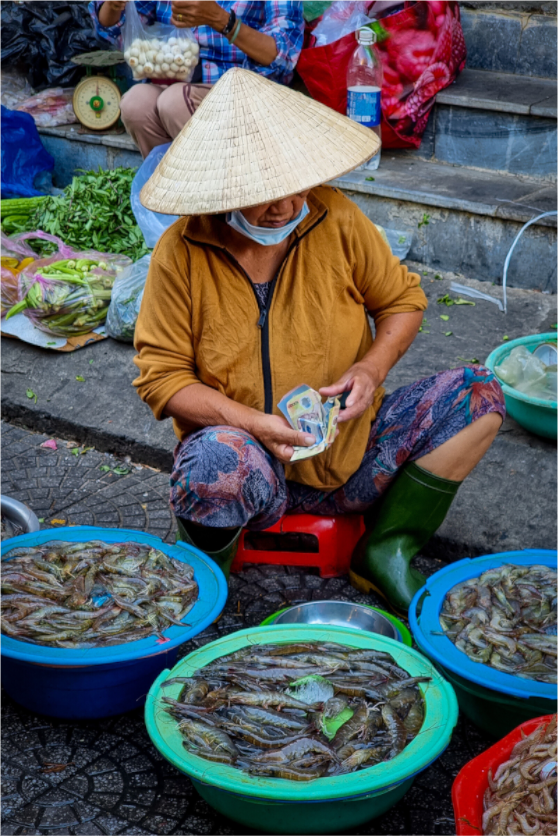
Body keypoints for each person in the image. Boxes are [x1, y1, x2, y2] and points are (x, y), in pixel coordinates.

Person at [134, 68, 506, 614]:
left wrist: (371, 370)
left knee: (479, 395)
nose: (285, 206)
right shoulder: (182, 252)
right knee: (214, 464)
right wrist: (255, 425)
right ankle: (207, 577)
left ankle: (385, 550)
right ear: (224, 192)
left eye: (295, 184)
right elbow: (162, 379)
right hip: (249, 465)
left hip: (353, 456)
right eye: (263, 194)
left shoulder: (337, 219)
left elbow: (401, 303)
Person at [89, 0, 304, 156]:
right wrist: (113, 5)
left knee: (175, 101)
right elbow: (112, 27)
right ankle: (175, 199)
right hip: (174, 84)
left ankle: (218, 203)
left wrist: (221, 20)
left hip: (245, 92)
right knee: (135, 104)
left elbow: (282, 54)